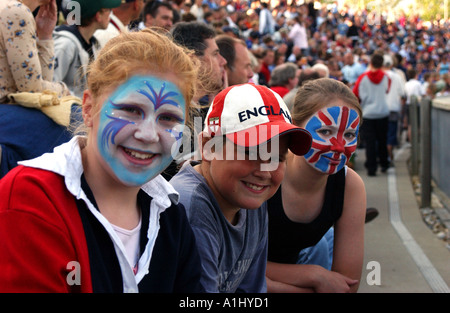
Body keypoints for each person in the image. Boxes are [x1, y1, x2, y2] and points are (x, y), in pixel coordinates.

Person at [0, 29, 204, 293]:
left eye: (168, 118)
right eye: (131, 110)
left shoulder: (170, 215)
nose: (147, 134)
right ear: (88, 109)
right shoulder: (29, 199)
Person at [170, 83, 312, 293]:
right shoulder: (190, 206)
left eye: (276, 158)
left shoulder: (250, 197)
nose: (264, 172)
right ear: (209, 146)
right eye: (250, 152)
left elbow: (252, 290)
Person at [266, 78, 366, 293]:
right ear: (295, 128)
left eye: (349, 135)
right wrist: (315, 275)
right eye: (325, 132)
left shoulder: (350, 185)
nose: (339, 147)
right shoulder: (265, 172)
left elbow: (345, 284)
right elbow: (235, 269)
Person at [0, 0, 75, 177]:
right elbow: (33, 90)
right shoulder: (15, 11)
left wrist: (45, 35)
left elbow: (38, 89)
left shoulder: (11, 8)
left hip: (9, 112)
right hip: (6, 112)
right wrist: (64, 90)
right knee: (76, 121)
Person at [165, 21, 227, 180]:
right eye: (215, 54)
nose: (223, 61)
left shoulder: (203, 109)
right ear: (193, 61)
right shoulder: (169, 114)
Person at [53, 0, 121, 98]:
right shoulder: (66, 44)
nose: (111, 14)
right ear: (98, 15)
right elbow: (50, 84)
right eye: (108, 10)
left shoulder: (93, 43)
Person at [353, 52, 391, 176]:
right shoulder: (386, 77)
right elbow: (387, 90)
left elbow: (356, 94)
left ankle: (371, 167)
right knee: (382, 139)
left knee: (370, 141)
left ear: (371, 63)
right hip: (382, 111)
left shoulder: (363, 77)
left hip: (368, 113)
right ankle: (384, 163)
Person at [383, 54, 406, 163]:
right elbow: (403, 93)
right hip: (393, 108)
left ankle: (384, 154)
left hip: (381, 109)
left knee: (382, 133)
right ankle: (389, 151)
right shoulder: (397, 76)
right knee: (391, 133)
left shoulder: (379, 75)